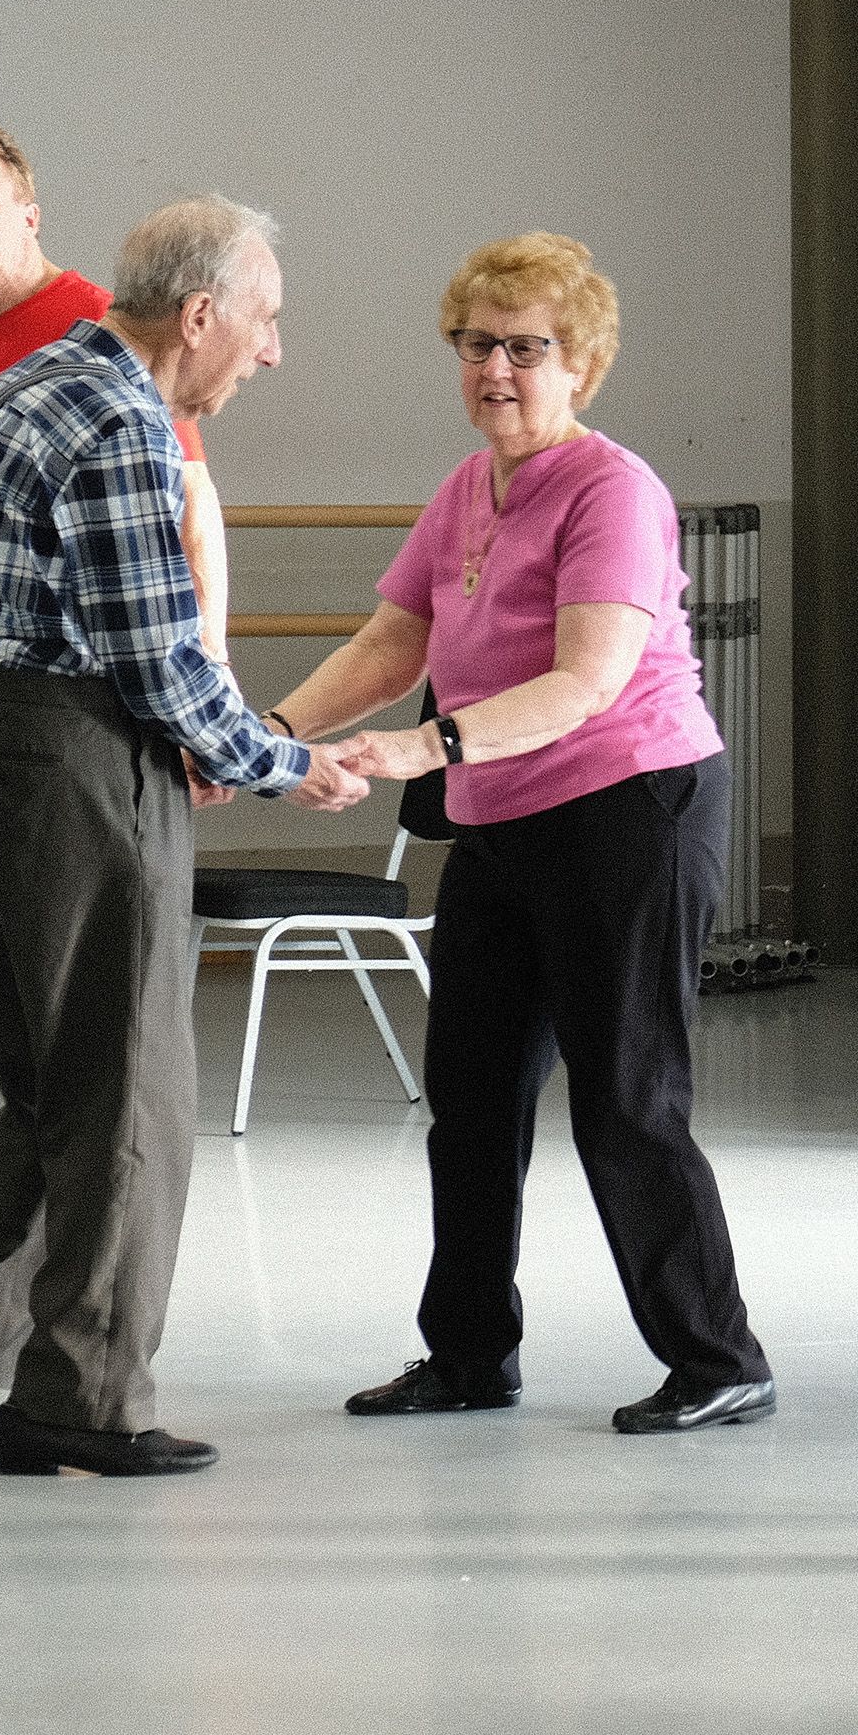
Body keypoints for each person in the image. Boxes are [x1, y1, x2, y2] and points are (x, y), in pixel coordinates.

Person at [0, 196, 368, 1476]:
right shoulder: (124, 423)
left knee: (47, 1078)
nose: (270, 350)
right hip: (72, 760)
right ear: (199, 314)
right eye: (264, 320)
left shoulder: (13, 391)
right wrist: (279, 763)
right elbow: (158, 657)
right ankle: (80, 1399)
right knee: (132, 1095)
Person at [263, 231, 775, 1435]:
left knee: (625, 1096)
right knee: (474, 1097)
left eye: (527, 348)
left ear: (581, 365)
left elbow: (589, 681)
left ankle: (717, 1359)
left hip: (630, 811)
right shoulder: (467, 489)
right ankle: (469, 1357)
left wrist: (423, 748)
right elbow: (395, 645)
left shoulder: (613, 489)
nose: (498, 368)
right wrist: (270, 735)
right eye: (478, 344)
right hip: (504, 819)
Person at [0, 121, 231, 664]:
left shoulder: (100, 321)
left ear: (31, 218)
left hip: (107, 664)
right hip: (11, 666)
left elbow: (191, 499)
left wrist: (211, 657)